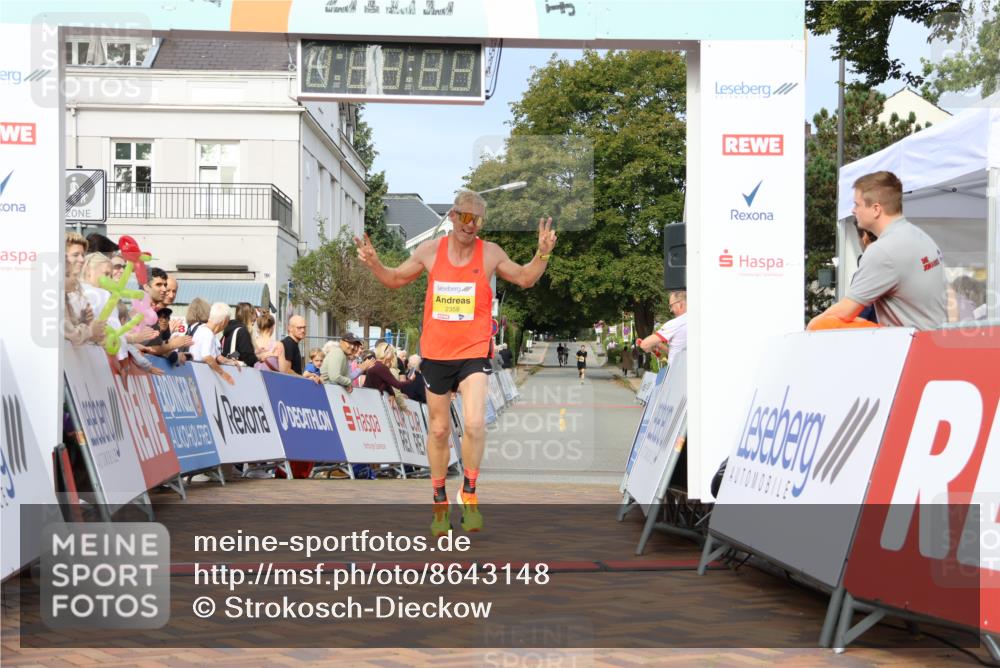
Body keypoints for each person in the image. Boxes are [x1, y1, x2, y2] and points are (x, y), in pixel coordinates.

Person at [355, 189, 557, 535]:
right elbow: (394, 279)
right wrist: (374, 262)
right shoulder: (430, 251)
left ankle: (470, 493)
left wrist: (542, 253)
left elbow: (525, 277)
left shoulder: (490, 253)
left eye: (478, 219)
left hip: (474, 351)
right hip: (435, 353)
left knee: (475, 423)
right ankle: (438, 501)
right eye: (465, 216)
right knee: (438, 430)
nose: (471, 224)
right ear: (452, 216)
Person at [809, 171, 947, 331]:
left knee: (821, 325)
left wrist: (811, 327)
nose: (853, 210)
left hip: (911, 349)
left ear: (876, 209)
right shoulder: (920, 236)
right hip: (931, 341)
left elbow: (843, 313)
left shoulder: (883, 251)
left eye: (857, 204)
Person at [189, 302, 240, 382]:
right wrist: (223, 374)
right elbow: (207, 356)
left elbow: (217, 357)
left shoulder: (203, 329)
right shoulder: (208, 334)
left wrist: (230, 361)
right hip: (201, 377)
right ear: (224, 321)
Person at [638, 290, 688, 366]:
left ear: (680, 304)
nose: (671, 310)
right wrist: (658, 345)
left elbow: (644, 345)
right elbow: (677, 351)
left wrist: (644, 344)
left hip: (676, 372)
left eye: (671, 306)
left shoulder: (675, 323)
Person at [281, 314, 321, 384]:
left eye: (304, 327)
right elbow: (286, 370)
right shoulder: (289, 343)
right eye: (299, 328)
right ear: (290, 328)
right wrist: (304, 379)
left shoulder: (293, 343)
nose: (303, 330)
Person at [221, 301, 257, 367]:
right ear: (249, 316)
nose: (253, 324)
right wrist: (258, 357)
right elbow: (248, 359)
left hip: (226, 368)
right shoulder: (242, 332)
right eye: (253, 320)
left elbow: (233, 353)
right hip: (238, 372)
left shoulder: (229, 330)